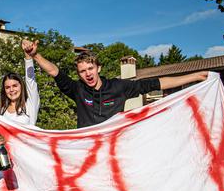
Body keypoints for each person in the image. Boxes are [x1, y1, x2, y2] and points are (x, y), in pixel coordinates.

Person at [24, 41, 209, 128]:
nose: (88, 73)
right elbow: (54, 71)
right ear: (79, 74)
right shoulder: (77, 90)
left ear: (99, 68)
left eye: (90, 68)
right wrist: (35, 55)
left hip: (116, 146)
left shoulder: (118, 87)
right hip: (87, 149)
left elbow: (156, 83)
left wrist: (193, 77)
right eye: (82, 71)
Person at [0, 39, 40, 125]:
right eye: (7, 87)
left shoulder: (30, 105)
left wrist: (28, 58)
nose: (11, 90)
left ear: (21, 86)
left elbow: (30, 81)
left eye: (15, 86)